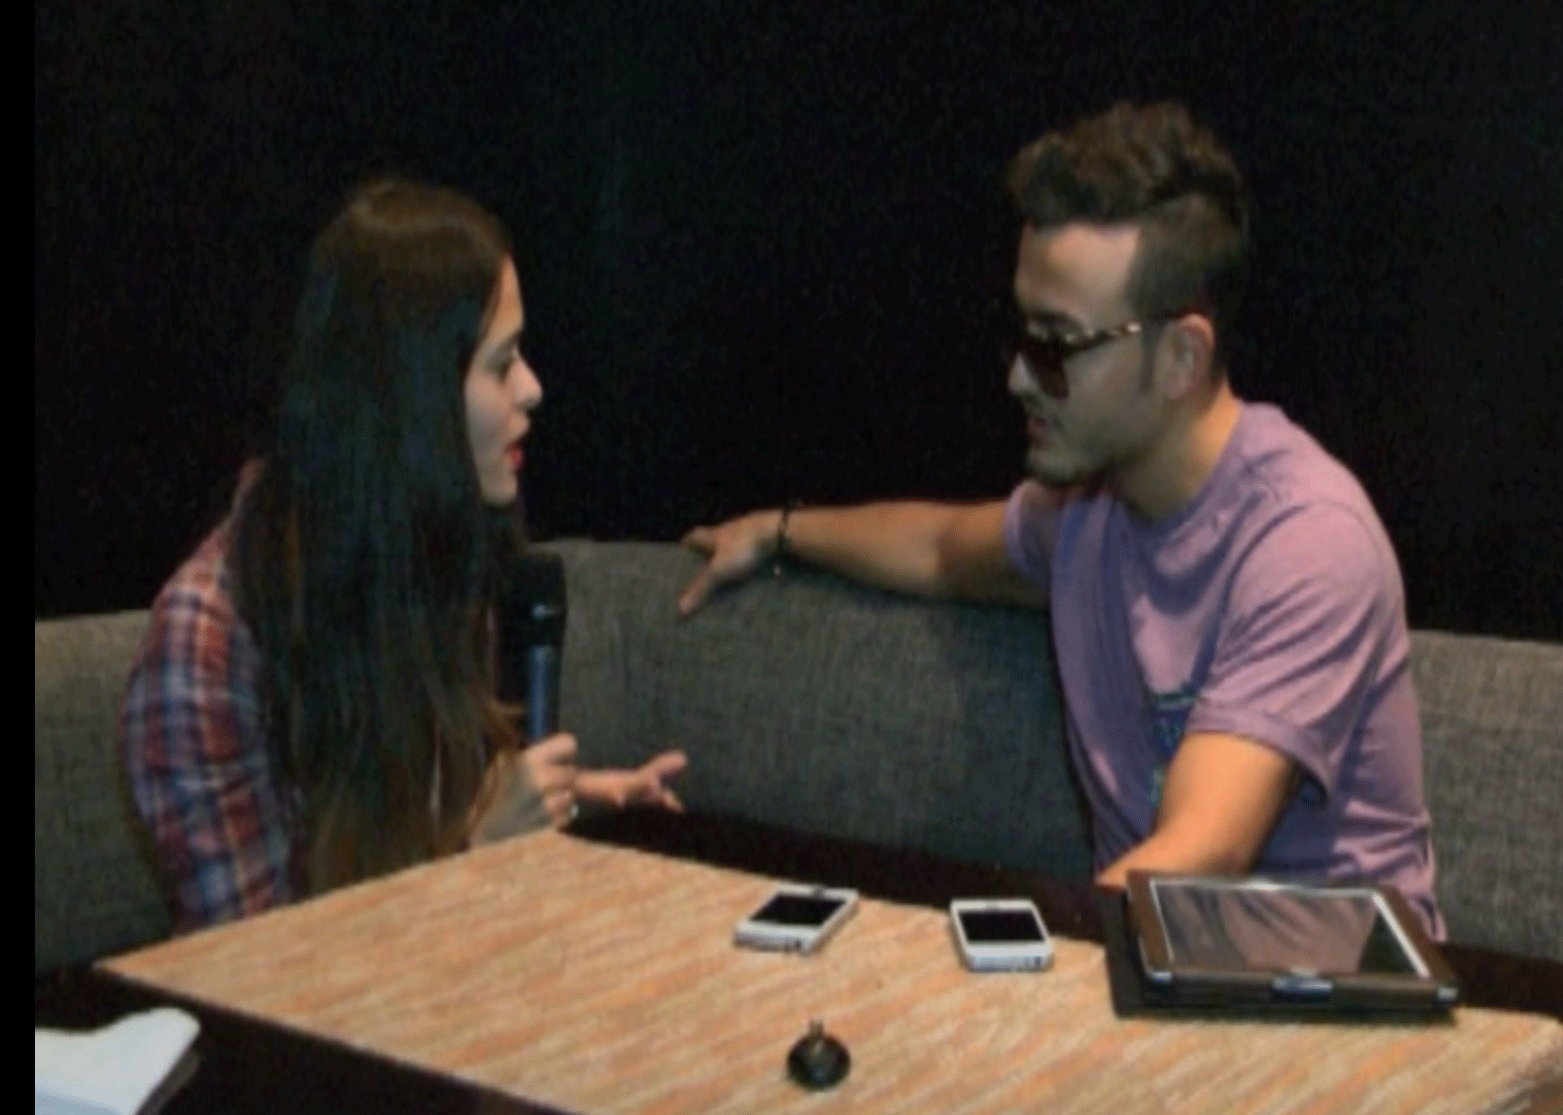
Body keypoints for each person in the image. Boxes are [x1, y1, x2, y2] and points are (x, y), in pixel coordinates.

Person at [678, 102, 1442, 937]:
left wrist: (999, 978)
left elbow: (1202, 850)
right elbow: (938, 547)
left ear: (1180, 356)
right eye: (1018, 333)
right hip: (1150, 959)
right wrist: (778, 531)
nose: (1017, 377)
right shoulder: (1087, 512)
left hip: (1328, 983)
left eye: (1056, 343)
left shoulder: (1307, 541)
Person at [120, 180, 686, 932]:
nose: (532, 389)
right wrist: (472, 861)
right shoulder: (204, 647)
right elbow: (259, 976)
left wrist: (560, 795)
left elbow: (415, 827)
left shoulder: (430, 556)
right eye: (501, 363)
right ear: (415, 399)